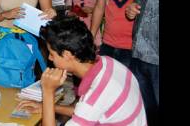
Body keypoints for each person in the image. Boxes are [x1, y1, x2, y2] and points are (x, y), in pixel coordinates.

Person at [18, 16, 147, 126]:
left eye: (52, 54)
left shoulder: (97, 94)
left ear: (67, 55)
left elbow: (90, 105)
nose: (50, 58)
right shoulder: (108, 62)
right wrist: (45, 107)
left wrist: (48, 92)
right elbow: (84, 109)